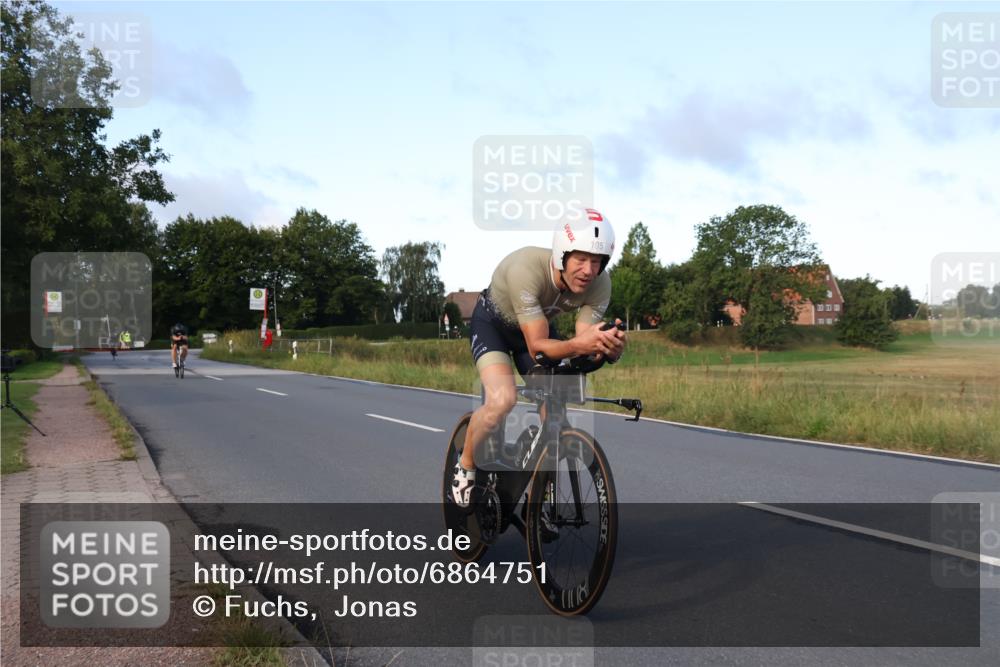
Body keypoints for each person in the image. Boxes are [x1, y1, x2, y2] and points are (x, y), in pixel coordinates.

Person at [451, 208, 626, 507]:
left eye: (596, 261)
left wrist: (608, 348)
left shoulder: (600, 284)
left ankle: (543, 493)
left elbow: (583, 342)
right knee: (502, 400)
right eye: (581, 259)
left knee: (554, 406)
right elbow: (538, 348)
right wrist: (580, 344)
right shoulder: (526, 270)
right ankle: (465, 465)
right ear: (562, 255)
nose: (588, 270)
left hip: (537, 329)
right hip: (495, 327)